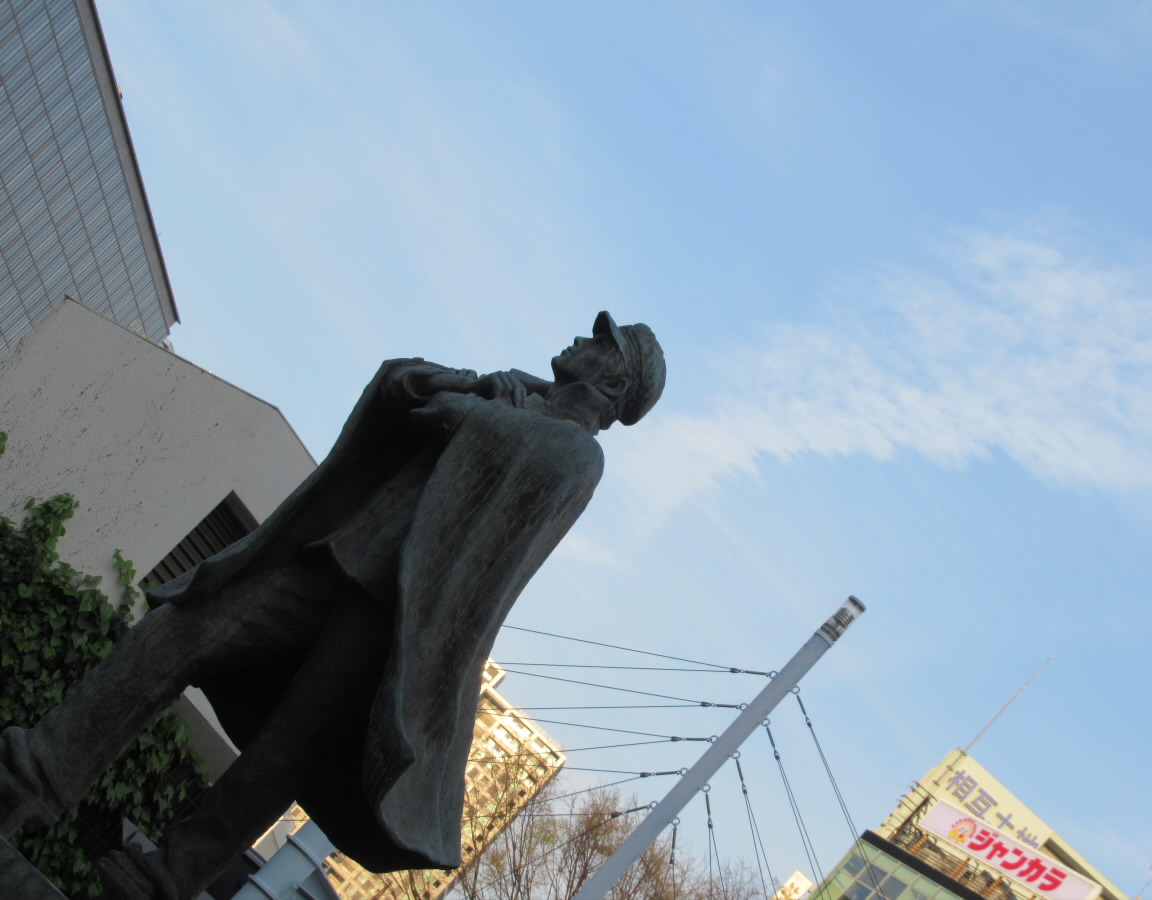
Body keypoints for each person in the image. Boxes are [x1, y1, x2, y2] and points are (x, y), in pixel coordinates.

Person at [0, 312, 665, 900]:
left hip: (388, 615)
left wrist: (472, 411)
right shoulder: (509, 389)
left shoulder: (578, 454)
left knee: (283, 752)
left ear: (614, 380)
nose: (581, 339)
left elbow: (529, 460)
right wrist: (451, 386)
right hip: (332, 555)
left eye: (601, 342)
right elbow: (401, 386)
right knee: (180, 632)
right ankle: (32, 775)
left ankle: (169, 877)